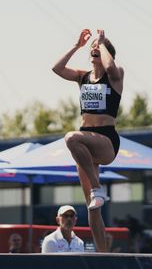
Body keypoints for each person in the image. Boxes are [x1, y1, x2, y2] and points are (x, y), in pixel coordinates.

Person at [52, 29, 124, 252]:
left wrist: (101, 43)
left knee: (70, 137)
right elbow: (57, 68)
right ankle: (103, 257)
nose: (94, 48)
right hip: (85, 143)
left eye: (98, 48)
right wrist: (77, 46)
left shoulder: (114, 74)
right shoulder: (82, 77)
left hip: (105, 140)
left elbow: (111, 67)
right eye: (93, 47)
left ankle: (97, 188)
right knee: (93, 210)